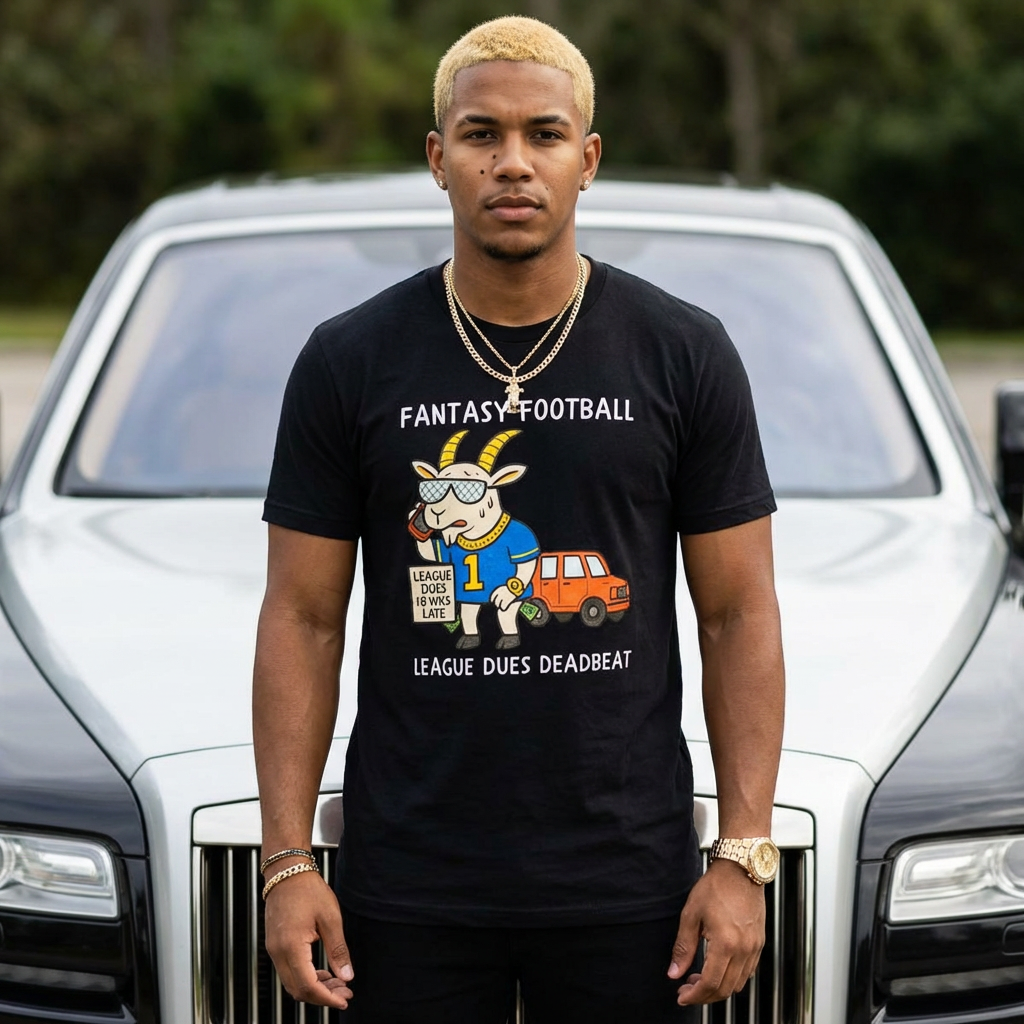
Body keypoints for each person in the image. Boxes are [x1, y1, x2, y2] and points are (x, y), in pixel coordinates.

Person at [253, 15, 785, 1023]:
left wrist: (742, 858)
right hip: (407, 882)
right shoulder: (349, 360)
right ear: (436, 158)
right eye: (480, 134)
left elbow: (739, 613)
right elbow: (302, 618)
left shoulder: (681, 354)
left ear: (586, 161)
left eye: (543, 135)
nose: (512, 163)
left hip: (629, 882)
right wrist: (287, 863)